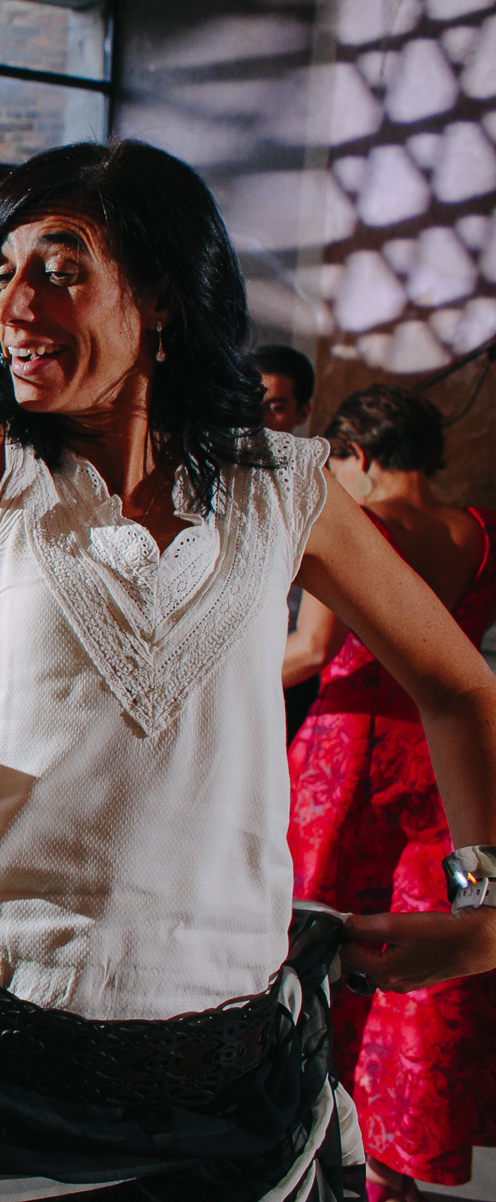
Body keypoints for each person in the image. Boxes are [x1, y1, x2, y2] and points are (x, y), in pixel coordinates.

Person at [0, 0, 496, 1199]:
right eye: (2, 273)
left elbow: (462, 688)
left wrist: (487, 901)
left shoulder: (285, 485)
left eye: (60, 267)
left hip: (219, 1069)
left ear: (163, 297)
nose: (15, 303)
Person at [285, 385, 496, 1201]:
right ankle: (396, 1167)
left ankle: (316, 1138)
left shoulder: (359, 527)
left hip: (349, 768)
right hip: (450, 775)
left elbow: (308, 650)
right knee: (431, 971)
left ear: (360, 457)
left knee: (318, 954)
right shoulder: (479, 534)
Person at [254, 344, 322, 738]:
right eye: (250, 404)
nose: (257, 419)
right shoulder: (205, 476)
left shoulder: (315, 493)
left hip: (286, 679)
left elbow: (314, 643)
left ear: (303, 413)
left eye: (275, 407)